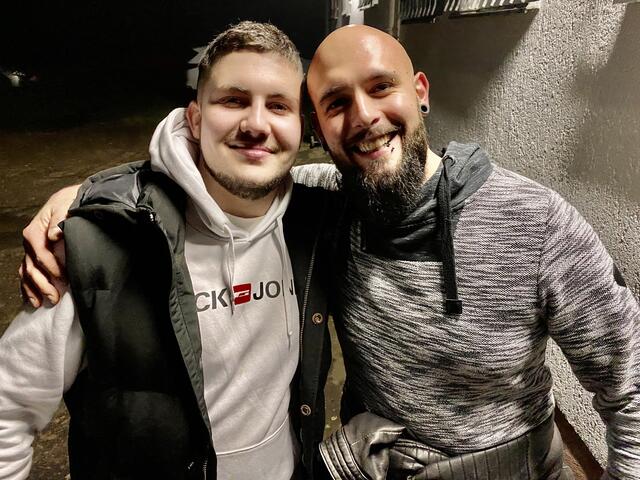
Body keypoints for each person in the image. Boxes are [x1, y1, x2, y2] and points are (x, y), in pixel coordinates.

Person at [18, 25, 640, 480]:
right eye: (337, 103)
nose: (364, 117)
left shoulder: (535, 221)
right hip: (373, 463)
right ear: (318, 127)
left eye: (381, 87)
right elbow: (221, 171)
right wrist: (91, 197)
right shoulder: (326, 204)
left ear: (420, 91)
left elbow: (631, 389)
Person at [0, 21, 334, 479]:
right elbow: (7, 412)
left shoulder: (311, 222)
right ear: (194, 119)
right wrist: (89, 199)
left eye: (278, 105)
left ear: (301, 126)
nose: (256, 124)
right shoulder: (102, 241)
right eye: (233, 100)